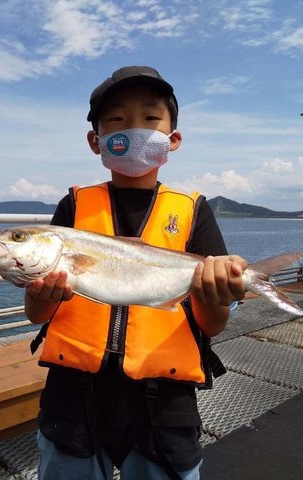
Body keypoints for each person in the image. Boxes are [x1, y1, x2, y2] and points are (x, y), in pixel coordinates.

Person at [25, 65, 247, 480]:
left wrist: (216, 295)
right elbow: (36, 316)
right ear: (96, 140)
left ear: (173, 139)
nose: (135, 128)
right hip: (72, 396)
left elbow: (211, 325)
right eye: (117, 120)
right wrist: (39, 293)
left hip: (164, 404)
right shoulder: (73, 207)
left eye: (150, 118)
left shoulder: (194, 210)